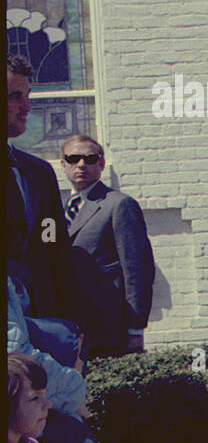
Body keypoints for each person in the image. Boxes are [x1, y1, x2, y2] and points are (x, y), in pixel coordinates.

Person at [59, 135, 155, 358]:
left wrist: (135, 329)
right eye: (74, 158)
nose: (81, 164)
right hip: (68, 325)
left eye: (90, 158)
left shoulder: (119, 204)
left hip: (108, 325)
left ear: (101, 164)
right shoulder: (56, 208)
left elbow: (137, 271)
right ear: (63, 165)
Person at [7, 54, 75, 320]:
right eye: (14, 96)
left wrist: (71, 323)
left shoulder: (38, 173)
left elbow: (53, 244)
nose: (26, 107)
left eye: (27, 95)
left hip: (41, 322)